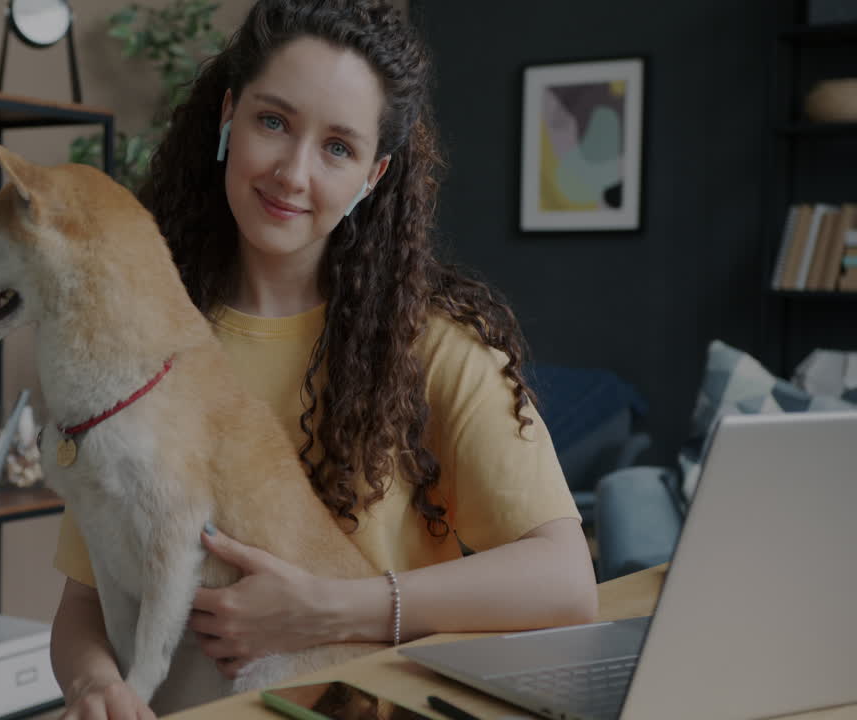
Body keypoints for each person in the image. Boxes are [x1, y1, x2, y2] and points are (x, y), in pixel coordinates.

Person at [49, 1, 598, 718]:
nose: (293, 173)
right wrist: (97, 687)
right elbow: (82, 606)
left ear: (373, 176)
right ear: (227, 117)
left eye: (337, 147)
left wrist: (332, 610)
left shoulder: (434, 349)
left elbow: (566, 583)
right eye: (272, 121)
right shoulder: (139, 351)